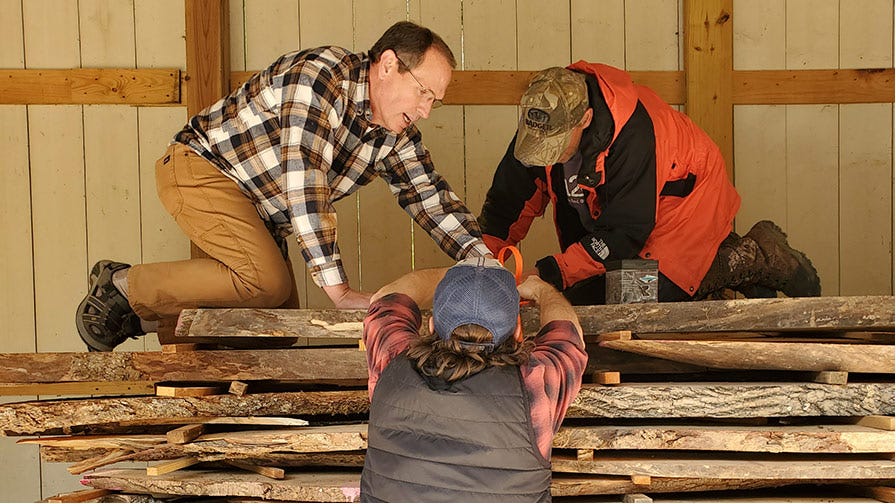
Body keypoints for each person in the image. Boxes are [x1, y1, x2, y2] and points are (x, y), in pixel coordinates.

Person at [75, 21, 492, 352]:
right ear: (387, 65)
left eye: (434, 101)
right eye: (422, 92)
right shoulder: (320, 80)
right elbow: (305, 185)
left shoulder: (394, 135)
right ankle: (123, 286)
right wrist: (340, 291)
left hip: (255, 209)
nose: (424, 110)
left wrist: (487, 265)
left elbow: (432, 199)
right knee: (267, 282)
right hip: (201, 171)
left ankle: (142, 317)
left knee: (276, 328)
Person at [478, 64, 821, 305]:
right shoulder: (545, 120)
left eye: (554, 147)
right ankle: (708, 283)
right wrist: (480, 263)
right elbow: (507, 203)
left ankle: (752, 256)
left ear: (585, 119)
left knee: (633, 292)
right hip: (624, 218)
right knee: (582, 295)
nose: (545, 155)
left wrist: (550, 272)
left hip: (686, 201)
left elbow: (625, 233)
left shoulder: (634, 135)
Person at [359, 257, 586, 502]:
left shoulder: (392, 357)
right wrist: (542, 290)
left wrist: (456, 278)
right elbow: (569, 336)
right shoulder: (534, 383)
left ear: (432, 325)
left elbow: (386, 298)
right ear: (518, 333)